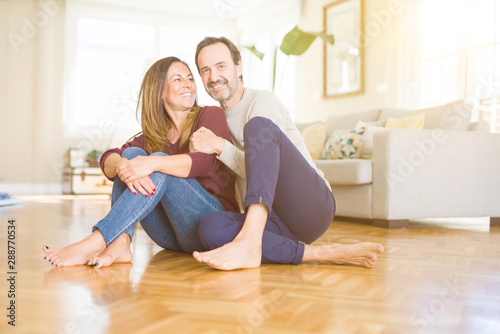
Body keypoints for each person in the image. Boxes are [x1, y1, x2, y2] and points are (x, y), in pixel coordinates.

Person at [190, 37, 384, 271]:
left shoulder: (262, 102)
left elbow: (264, 168)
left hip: (311, 206)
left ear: (239, 67)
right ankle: (321, 253)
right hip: (275, 222)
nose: (213, 77)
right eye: (205, 70)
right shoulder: (212, 119)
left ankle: (250, 240)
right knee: (210, 227)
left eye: (221, 66)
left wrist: (219, 146)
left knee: (258, 127)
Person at [43, 57, 238, 268]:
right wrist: (121, 166)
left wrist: (153, 164)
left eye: (190, 78)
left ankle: (98, 240)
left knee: (157, 161)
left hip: (210, 221)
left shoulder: (210, 115)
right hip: (171, 237)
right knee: (131, 155)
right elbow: (108, 157)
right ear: (159, 91)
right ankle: (121, 242)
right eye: (178, 79)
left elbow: (204, 163)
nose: (188, 84)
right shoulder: (153, 137)